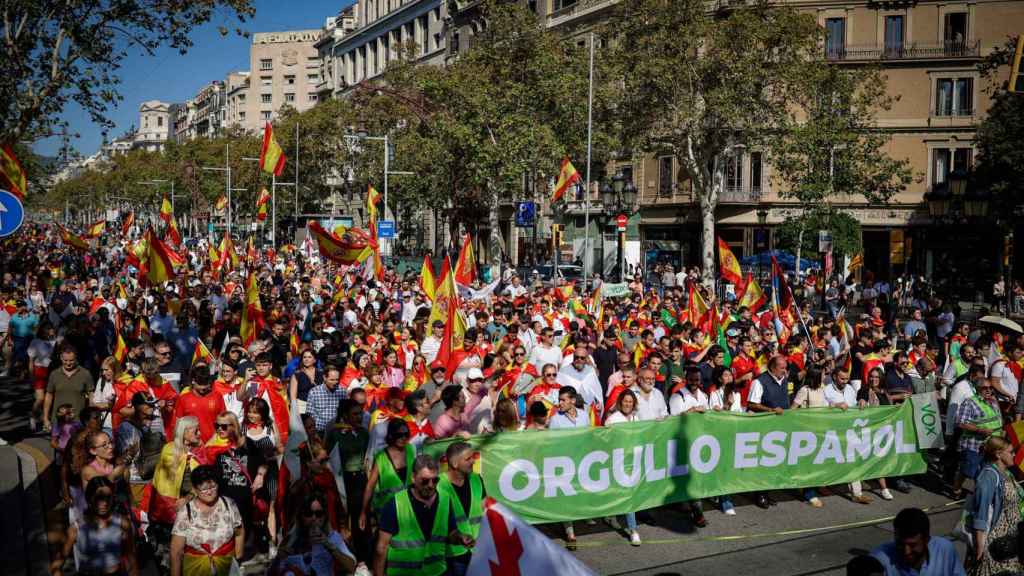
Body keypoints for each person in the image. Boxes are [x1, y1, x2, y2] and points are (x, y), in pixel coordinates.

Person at [373, 454, 473, 576]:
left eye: (435, 480)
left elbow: (451, 532)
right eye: (425, 481)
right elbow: (381, 548)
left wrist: (460, 538)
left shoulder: (445, 499)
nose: (431, 485)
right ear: (413, 478)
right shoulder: (395, 504)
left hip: (437, 572)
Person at [53, 476, 139, 576]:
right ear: (89, 498)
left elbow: (131, 559)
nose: (105, 503)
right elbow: (56, 565)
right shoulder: (76, 529)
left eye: (108, 497)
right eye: (99, 498)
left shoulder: (122, 523)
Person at [169, 465, 245, 576]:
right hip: (195, 568)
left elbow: (240, 533)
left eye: (213, 487)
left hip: (226, 566)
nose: (209, 492)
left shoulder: (228, 504)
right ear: (195, 489)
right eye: (204, 489)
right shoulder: (186, 512)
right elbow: (176, 551)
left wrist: (238, 559)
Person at [963, 436, 1022, 574]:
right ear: (998, 454)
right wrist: (980, 548)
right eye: (1011, 451)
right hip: (994, 545)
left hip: (1010, 541)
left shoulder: (1007, 473)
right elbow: (980, 514)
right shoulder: (988, 476)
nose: (1014, 454)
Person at [271, 491, 357, 576]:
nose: (313, 518)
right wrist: (279, 558)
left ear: (324, 516)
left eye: (318, 514)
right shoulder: (291, 539)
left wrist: (328, 545)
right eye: (308, 513)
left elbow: (351, 567)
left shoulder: (332, 537)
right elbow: (273, 570)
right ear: (301, 516)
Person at [870, 507, 965, 576]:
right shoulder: (879, 560)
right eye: (900, 544)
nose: (906, 551)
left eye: (912, 545)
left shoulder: (944, 550)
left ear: (927, 539)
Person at [360, 419, 416, 532]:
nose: (403, 438)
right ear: (391, 435)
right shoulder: (381, 457)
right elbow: (370, 486)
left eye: (406, 434)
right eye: (399, 435)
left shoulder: (410, 449)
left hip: (409, 507)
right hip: (388, 509)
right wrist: (363, 512)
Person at [439, 441, 485, 575]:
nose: (473, 462)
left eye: (473, 458)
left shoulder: (477, 479)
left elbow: (486, 507)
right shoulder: (437, 485)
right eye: (468, 459)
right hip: (453, 555)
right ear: (454, 463)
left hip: (478, 551)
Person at [604, 389, 644, 544]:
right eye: (625, 401)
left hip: (635, 460)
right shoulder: (613, 420)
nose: (628, 404)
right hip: (619, 461)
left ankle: (610, 515)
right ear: (620, 402)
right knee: (628, 496)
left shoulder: (636, 418)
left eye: (630, 401)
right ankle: (633, 530)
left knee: (625, 493)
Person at [954, 378, 1003, 499]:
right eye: (985, 388)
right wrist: (980, 430)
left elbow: (998, 419)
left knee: (983, 472)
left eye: (990, 388)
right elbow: (961, 423)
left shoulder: (993, 401)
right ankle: (956, 488)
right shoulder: (970, 402)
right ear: (977, 389)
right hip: (974, 444)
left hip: (991, 444)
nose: (989, 390)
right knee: (967, 471)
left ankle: (980, 494)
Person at [43, 344, 94, 433]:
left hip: (78, 421)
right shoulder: (54, 374)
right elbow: (48, 396)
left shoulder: (85, 374)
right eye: (65, 360)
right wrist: (45, 418)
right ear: (61, 358)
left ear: (76, 359)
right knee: (57, 446)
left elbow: (91, 396)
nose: (68, 363)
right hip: (58, 421)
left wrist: (91, 418)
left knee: (76, 447)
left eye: (71, 360)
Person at [173, 365, 225, 443]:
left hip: (214, 443)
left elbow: (224, 420)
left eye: (206, 383)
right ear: (193, 381)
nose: (203, 387)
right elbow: (178, 424)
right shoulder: (183, 399)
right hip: (192, 446)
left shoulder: (217, 396)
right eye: (200, 384)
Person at [306, 364, 348, 436]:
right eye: (332, 380)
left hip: (337, 431)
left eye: (337, 379)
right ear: (324, 377)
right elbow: (310, 414)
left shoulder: (342, 391)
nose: (335, 382)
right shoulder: (314, 392)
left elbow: (345, 413)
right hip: (319, 431)